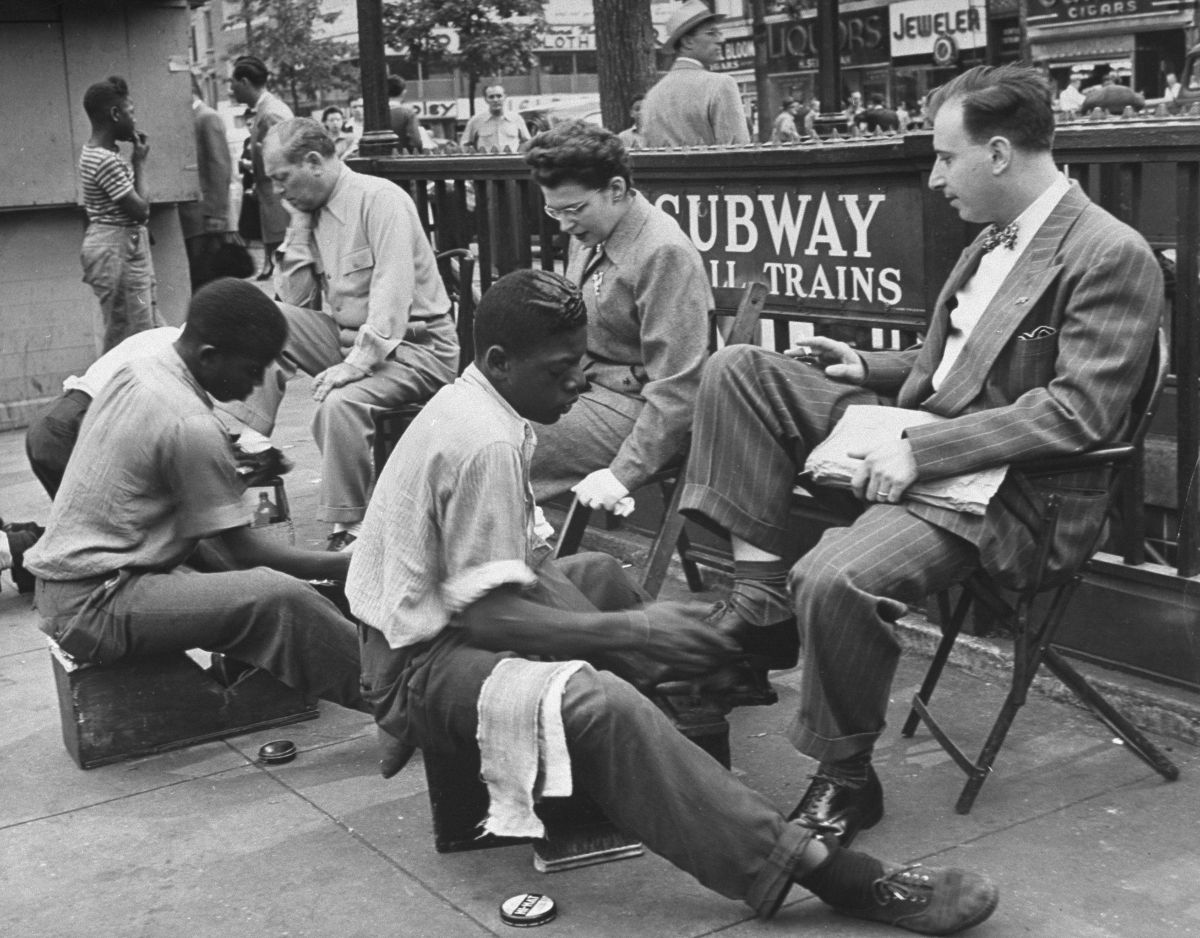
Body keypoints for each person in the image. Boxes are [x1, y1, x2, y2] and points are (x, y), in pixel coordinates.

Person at [348, 267, 999, 937]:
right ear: (499, 362)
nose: (579, 381)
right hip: (416, 670)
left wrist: (641, 636)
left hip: (434, 630)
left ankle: (686, 715)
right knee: (600, 702)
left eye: (584, 362)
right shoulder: (484, 440)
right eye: (562, 368)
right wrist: (637, 634)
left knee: (599, 575)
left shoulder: (486, 406)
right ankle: (811, 866)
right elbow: (485, 616)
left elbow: (526, 571)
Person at [677, 64, 1163, 848]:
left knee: (834, 574)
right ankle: (760, 604)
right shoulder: (987, 243)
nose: (935, 177)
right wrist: (867, 367)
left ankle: (846, 778)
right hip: (926, 439)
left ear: (999, 152)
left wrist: (924, 450)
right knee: (737, 370)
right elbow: (951, 367)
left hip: (1010, 491)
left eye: (945, 156)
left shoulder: (1110, 252)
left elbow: (1080, 412)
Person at [23, 279, 364, 712]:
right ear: (209, 356)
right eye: (251, 370)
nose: (255, 385)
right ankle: (406, 704)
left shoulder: (142, 369)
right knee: (279, 598)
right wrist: (348, 564)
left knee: (217, 551)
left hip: (73, 589)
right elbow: (245, 552)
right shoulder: (190, 422)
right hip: (93, 605)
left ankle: (303, 661)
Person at [224, 117, 459, 552]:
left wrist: (353, 367)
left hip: (415, 348)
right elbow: (295, 299)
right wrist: (298, 229)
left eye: (281, 179)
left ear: (313, 161)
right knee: (263, 318)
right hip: (349, 339)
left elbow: (391, 297)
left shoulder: (381, 200)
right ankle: (252, 442)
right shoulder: (312, 212)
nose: (278, 191)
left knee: (338, 404)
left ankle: (348, 529)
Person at [524, 121, 711, 519]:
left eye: (573, 209)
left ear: (616, 190)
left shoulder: (662, 252)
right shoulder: (593, 231)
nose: (563, 224)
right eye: (553, 210)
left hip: (641, 412)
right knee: (474, 414)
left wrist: (625, 473)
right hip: (589, 393)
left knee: (504, 440)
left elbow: (678, 388)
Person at [78, 75, 164, 354]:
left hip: (124, 248)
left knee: (145, 323)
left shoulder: (106, 154)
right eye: (131, 112)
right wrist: (139, 163)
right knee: (130, 336)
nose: (135, 121)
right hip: (117, 251)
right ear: (115, 114)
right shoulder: (104, 161)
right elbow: (141, 210)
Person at [641, 0, 750, 148]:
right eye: (712, 33)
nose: (721, 39)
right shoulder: (721, 85)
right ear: (687, 42)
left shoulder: (652, 96)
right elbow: (740, 153)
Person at [179, 76, 249, 292]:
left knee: (207, 278)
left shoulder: (207, 117)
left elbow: (220, 166)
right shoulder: (193, 118)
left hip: (205, 219)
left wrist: (217, 214)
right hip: (196, 220)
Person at [229, 55, 293, 281]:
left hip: (279, 204)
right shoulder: (265, 110)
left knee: (287, 273)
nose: (231, 90)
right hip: (272, 202)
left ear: (245, 82)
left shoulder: (271, 112)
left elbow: (288, 155)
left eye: (233, 83)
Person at [460, 84, 531, 152]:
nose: (495, 100)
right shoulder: (476, 121)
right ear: (486, 99)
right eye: (491, 97)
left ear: (505, 97)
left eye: (499, 96)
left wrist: (519, 156)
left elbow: (527, 142)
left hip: (511, 162)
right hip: (486, 163)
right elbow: (465, 144)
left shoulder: (516, 119)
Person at [387, 76, 424, 154]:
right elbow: (415, 140)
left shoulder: (376, 113)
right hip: (404, 158)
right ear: (403, 92)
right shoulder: (408, 113)